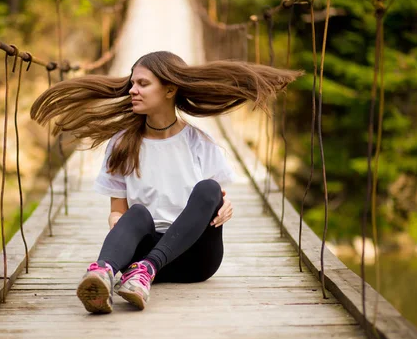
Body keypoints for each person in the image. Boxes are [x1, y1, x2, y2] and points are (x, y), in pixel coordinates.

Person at [31, 51, 300, 314]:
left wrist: (225, 205)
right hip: (139, 255)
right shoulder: (122, 145)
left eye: (143, 84)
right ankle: (102, 275)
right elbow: (118, 210)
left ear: (170, 89)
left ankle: (145, 271)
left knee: (209, 188)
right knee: (137, 213)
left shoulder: (199, 142)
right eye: (132, 84)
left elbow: (213, 198)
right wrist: (117, 222)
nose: (132, 90)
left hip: (195, 258)